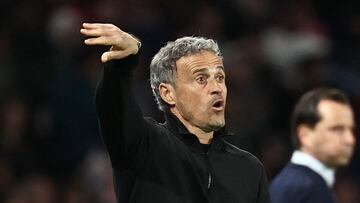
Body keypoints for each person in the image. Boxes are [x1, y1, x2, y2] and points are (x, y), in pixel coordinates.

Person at [80, 23, 270, 203]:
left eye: (220, 77)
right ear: (168, 93)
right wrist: (122, 64)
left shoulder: (250, 169)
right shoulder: (144, 144)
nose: (217, 87)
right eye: (201, 78)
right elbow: (114, 109)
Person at [270, 88, 356, 203]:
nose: (350, 139)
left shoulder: (285, 182)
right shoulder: (309, 190)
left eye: (351, 130)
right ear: (304, 135)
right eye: (337, 129)